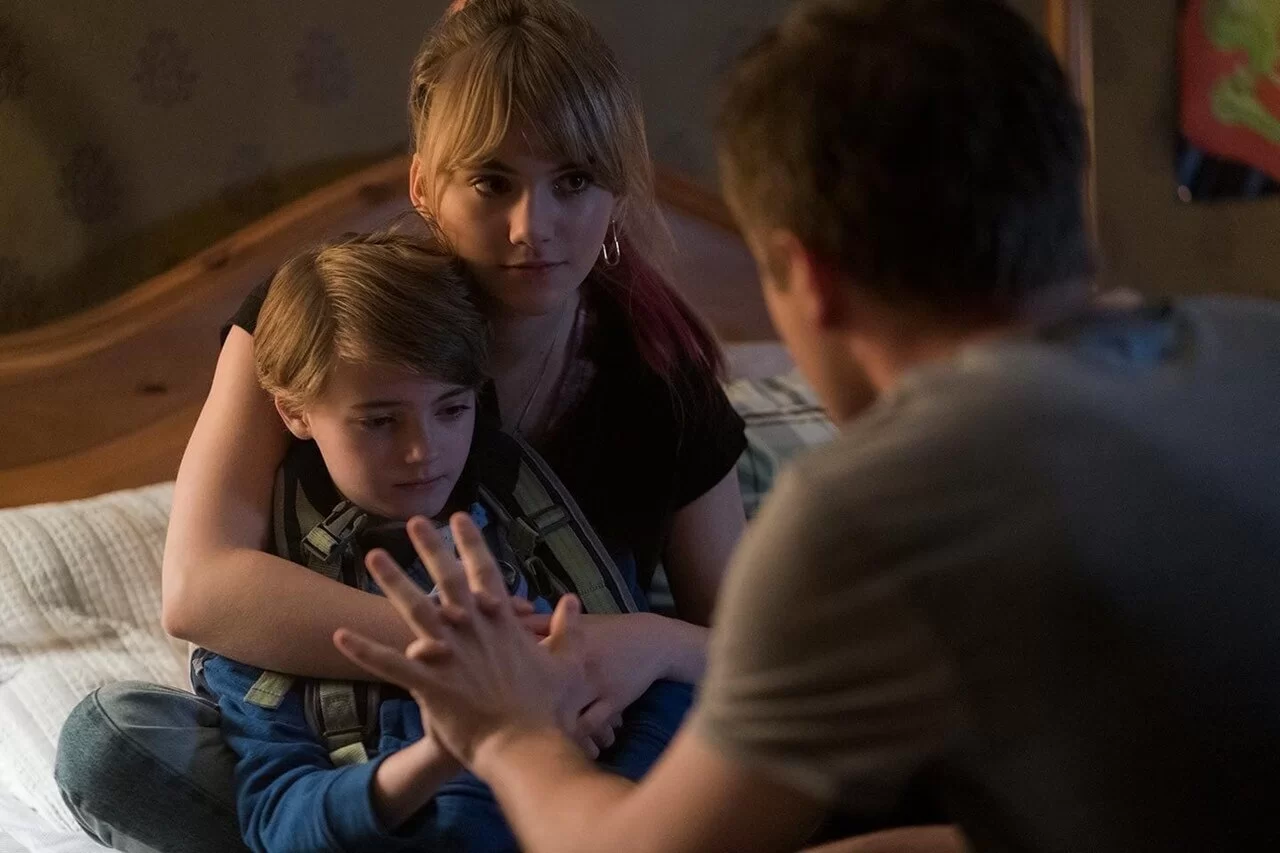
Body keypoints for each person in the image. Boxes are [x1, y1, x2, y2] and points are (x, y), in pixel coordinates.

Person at [327, 1, 1280, 852]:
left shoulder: (874, 508)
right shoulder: (1259, 345)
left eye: (572, 180)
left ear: (807, 278)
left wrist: (507, 729)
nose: (532, 223)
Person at [54, 2, 745, 851]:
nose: (533, 227)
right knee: (112, 747)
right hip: (340, 738)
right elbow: (201, 589)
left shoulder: (662, 381)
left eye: (572, 182)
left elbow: (752, 657)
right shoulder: (315, 322)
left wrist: (647, 643)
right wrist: (489, 665)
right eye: (492, 182)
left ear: (615, 193)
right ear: (423, 186)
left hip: (585, 746)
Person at [196, 230, 691, 852]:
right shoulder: (273, 616)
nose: (424, 451)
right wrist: (444, 752)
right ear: (294, 412)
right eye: (380, 421)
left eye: (452, 410)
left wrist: (589, 728)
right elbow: (280, 824)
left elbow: (682, 703)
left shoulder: (550, 543)